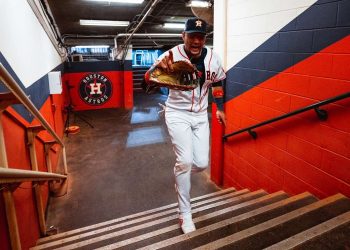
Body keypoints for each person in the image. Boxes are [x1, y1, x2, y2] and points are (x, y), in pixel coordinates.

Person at [145, 17, 226, 234]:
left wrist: (219, 107)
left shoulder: (214, 59)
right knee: (185, 162)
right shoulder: (170, 56)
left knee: (200, 163)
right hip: (177, 113)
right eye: (192, 36)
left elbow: (217, 82)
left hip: (200, 115)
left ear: (205, 38)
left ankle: (183, 173)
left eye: (200, 37)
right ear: (183, 36)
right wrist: (155, 71)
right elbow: (147, 81)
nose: (196, 41)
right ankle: (185, 214)